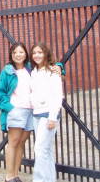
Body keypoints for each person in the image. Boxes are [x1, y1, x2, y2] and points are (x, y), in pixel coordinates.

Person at [0, 43, 64, 182]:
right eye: (15, 52)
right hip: (16, 111)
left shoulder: (30, 69)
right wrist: (10, 108)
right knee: (13, 142)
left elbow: (48, 67)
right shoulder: (8, 71)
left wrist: (60, 67)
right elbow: (0, 94)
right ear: (11, 55)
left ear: (26, 54)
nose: (18, 55)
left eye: (21, 52)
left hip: (31, 112)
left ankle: (16, 175)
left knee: (22, 143)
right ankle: (9, 177)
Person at [30, 42, 63, 182]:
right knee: (46, 150)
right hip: (36, 114)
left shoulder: (52, 71)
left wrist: (52, 118)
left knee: (39, 149)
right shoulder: (33, 72)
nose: (37, 55)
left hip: (48, 115)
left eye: (40, 52)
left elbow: (58, 95)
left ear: (46, 54)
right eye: (34, 52)